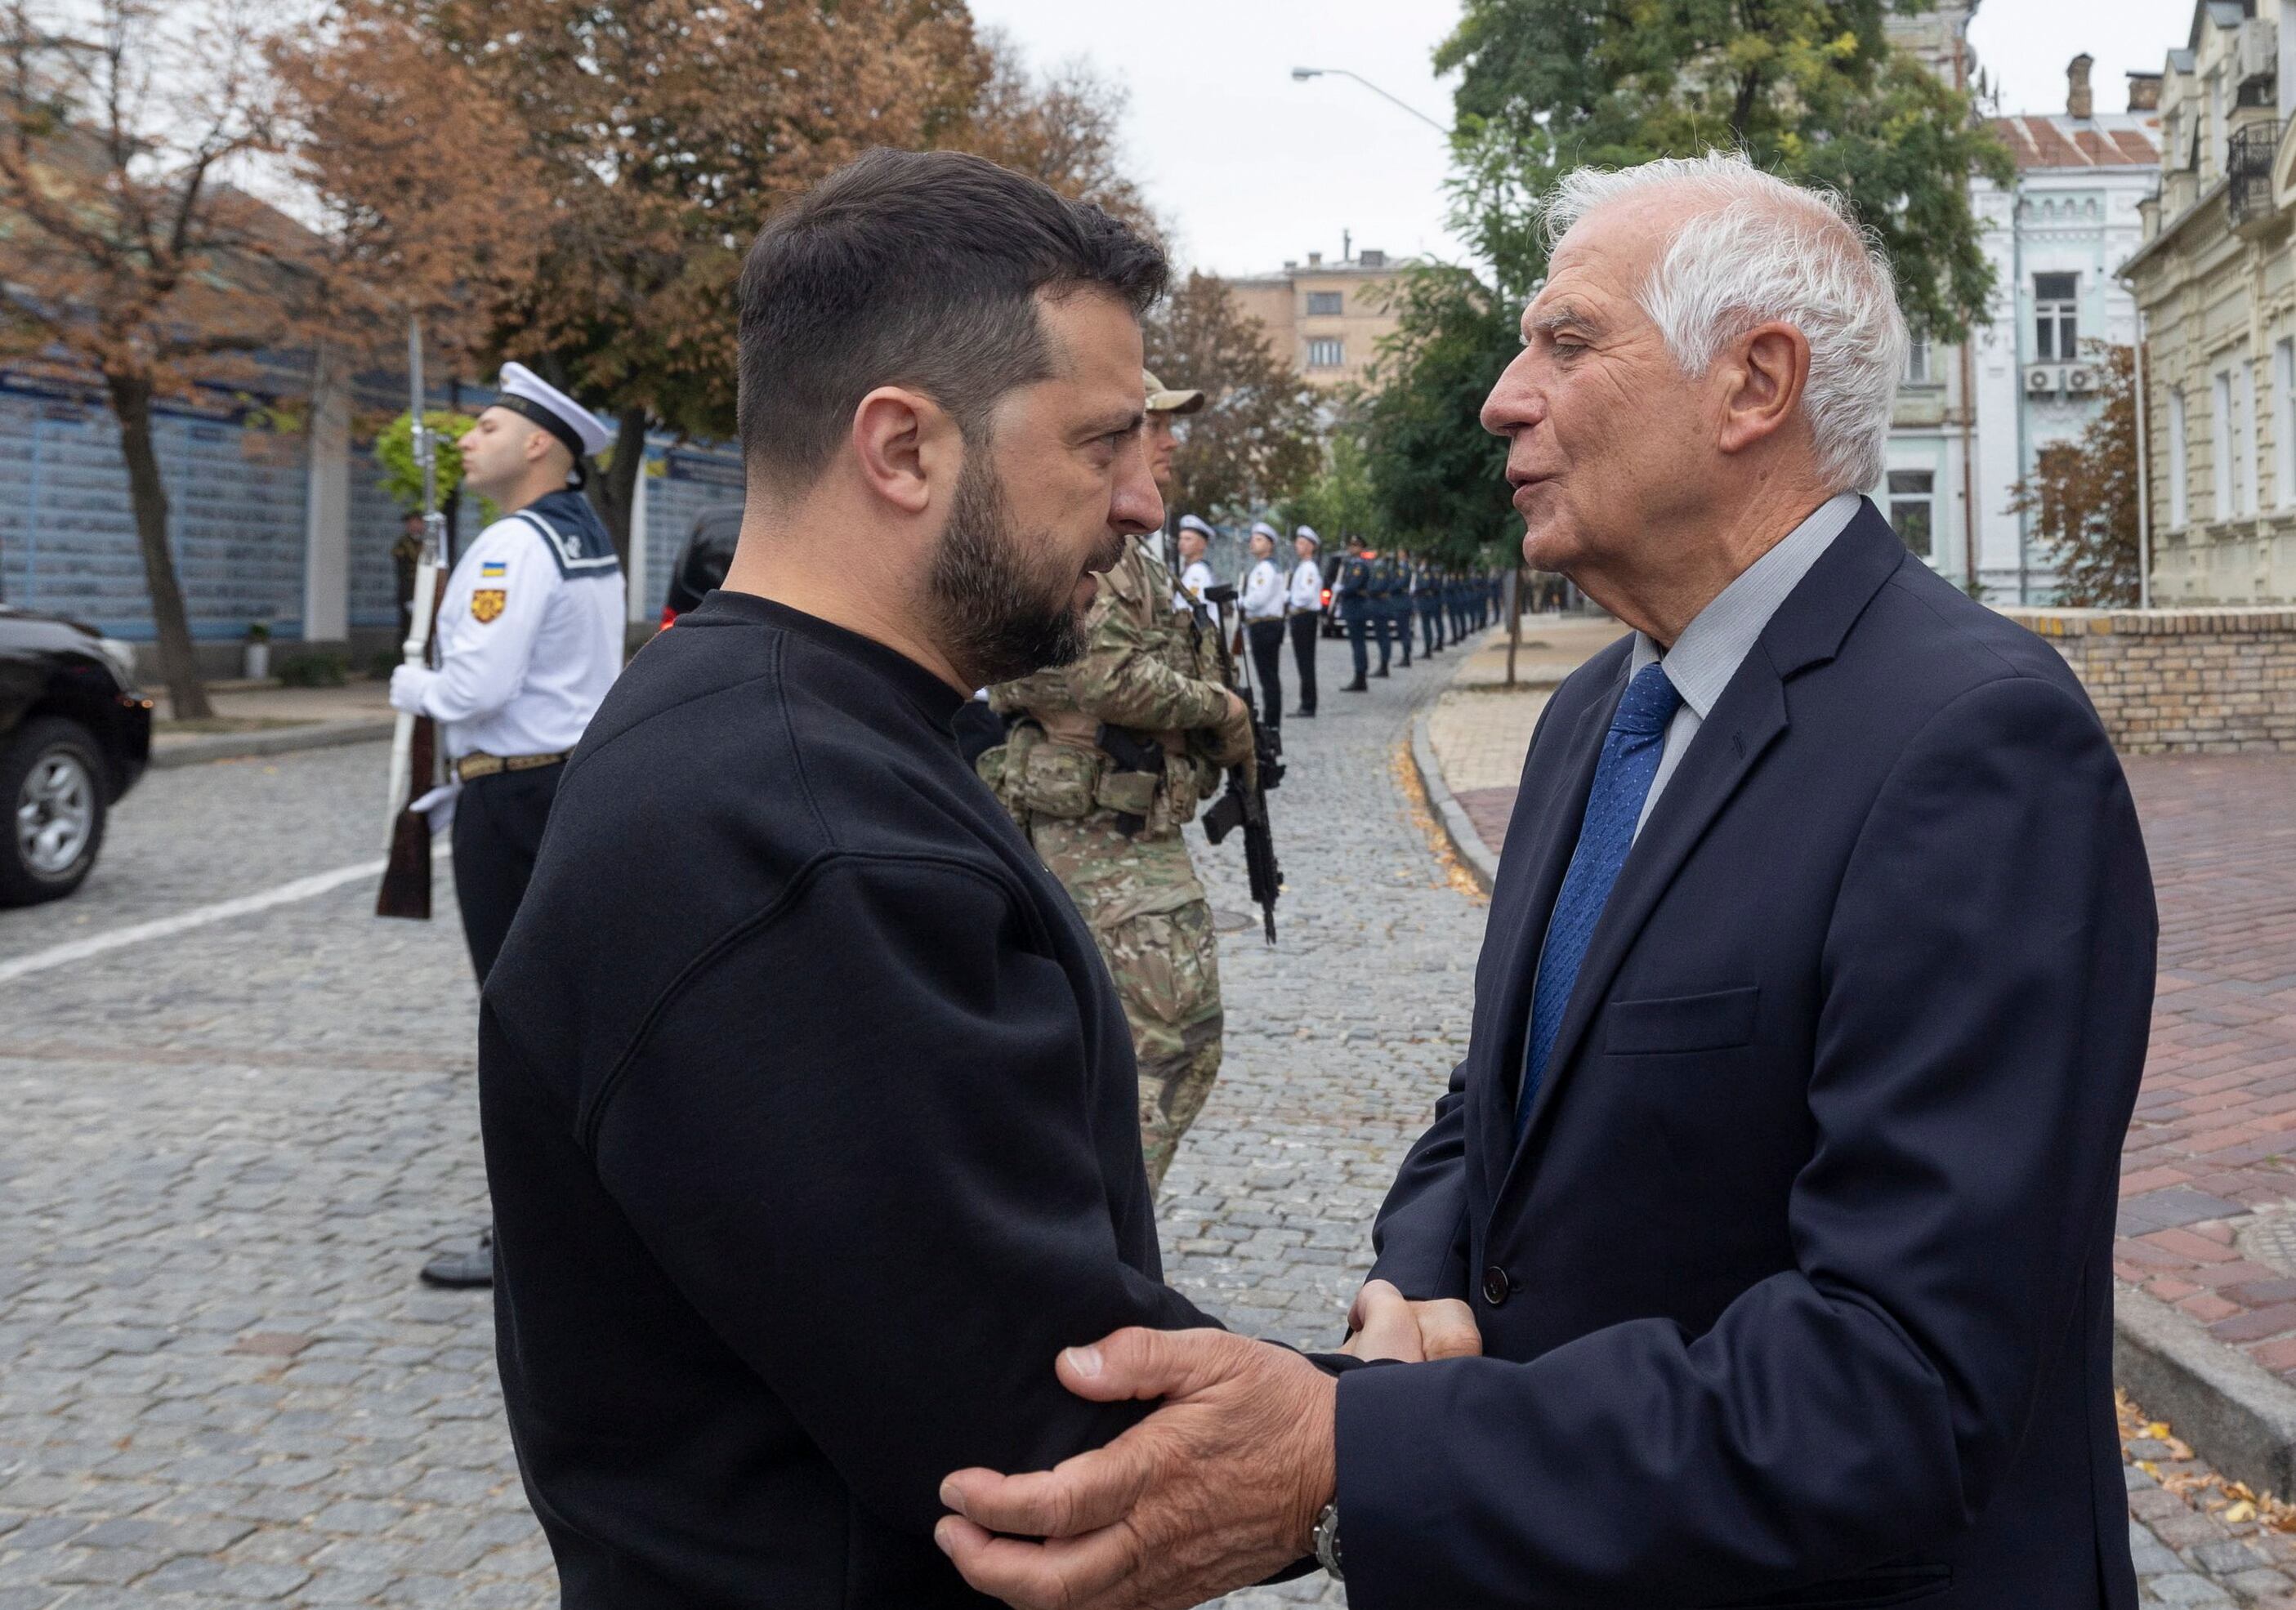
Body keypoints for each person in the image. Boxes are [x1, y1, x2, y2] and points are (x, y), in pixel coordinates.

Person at [936, 151, 2158, 1610]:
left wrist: (1355, 1450)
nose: (1503, 396)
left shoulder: (1974, 744)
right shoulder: (1601, 715)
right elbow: (1503, 1098)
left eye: (1566, 342)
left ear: (1751, 387)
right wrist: (1426, 1279)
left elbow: (1901, 1382)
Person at [475, 150, 1270, 1607]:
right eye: (1102, 444)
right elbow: (1035, 1442)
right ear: (903, 450)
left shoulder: (774, 733)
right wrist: (1389, 1432)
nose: (1148, 499)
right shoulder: (801, 829)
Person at [985, 370, 1253, 1194]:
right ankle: (1101, 1231)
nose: (1167, 441)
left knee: (1102, 1044)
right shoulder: (1081, 544)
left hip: (1116, 824)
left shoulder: (1126, 550)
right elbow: (1097, 675)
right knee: (1175, 1040)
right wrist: (1220, 709)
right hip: (1098, 833)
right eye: (1147, 425)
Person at [389, 362, 623, 1291]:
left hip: (512, 796)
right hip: (566, 787)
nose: (465, 439)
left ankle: (534, 1236)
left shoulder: (510, 548)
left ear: (538, 445)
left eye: (485, 425)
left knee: (521, 1025)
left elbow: (472, 691)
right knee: (568, 1015)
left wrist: (411, 686)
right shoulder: (580, 535)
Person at [1238, 520, 1287, 730]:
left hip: (1264, 625)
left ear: (1270, 545)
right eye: (1252, 539)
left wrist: (1239, 601)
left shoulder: (1265, 570)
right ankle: (1271, 721)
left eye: (1259, 540)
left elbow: (1257, 600)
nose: (1253, 543)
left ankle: (1271, 723)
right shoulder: (1266, 568)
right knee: (1269, 676)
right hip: (1267, 624)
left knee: (1268, 677)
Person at [1285, 525, 1323, 716]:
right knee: (1303, 661)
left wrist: (1288, 598)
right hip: (1300, 615)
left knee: (1306, 662)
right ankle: (1306, 702)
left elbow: (1306, 596)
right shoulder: (1303, 567)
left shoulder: (1309, 569)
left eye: (1301, 543)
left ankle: (1308, 704)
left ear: (1310, 547)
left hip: (1304, 616)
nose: (1297, 546)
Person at [1335, 541, 1374, 693]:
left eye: (1355, 546)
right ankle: (1359, 676)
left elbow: (1353, 586)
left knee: (1358, 644)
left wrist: (1341, 590)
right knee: (1356, 644)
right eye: (1351, 546)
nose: (1351, 548)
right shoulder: (1352, 564)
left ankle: (1361, 677)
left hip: (1357, 608)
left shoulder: (1360, 566)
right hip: (1353, 608)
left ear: (1361, 548)